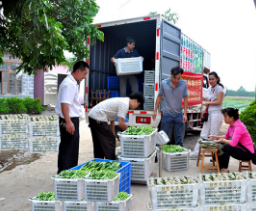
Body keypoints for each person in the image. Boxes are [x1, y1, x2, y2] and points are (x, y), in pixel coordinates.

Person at [55, 61, 89, 174]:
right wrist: (69, 122)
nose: (85, 76)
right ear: (78, 71)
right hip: (69, 120)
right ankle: (66, 176)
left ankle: (64, 174)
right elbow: (65, 104)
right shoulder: (69, 84)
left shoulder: (72, 82)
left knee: (68, 149)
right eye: (84, 73)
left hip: (69, 119)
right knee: (69, 151)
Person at [88, 92, 144, 160]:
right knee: (110, 140)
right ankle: (112, 162)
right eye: (138, 105)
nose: (136, 107)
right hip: (98, 117)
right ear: (135, 101)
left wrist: (113, 134)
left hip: (93, 116)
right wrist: (131, 134)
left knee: (99, 142)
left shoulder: (122, 101)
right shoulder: (125, 104)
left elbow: (112, 120)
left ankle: (98, 162)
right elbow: (121, 123)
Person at [190, 71, 224, 159]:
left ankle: (216, 156)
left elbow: (219, 101)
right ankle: (197, 153)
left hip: (216, 113)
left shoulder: (219, 89)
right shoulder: (209, 89)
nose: (211, 81)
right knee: (204, 133)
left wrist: (207, 102)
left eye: (213, 79)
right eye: (210, 79)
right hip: (208, 113)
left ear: (217, 79)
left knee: (214, 134)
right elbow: (205, 101)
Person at [209, 108, 254, 173]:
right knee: (221, 145)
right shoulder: (232, 125)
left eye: (225, 117)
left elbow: (233, 143)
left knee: (226, 147)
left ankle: (225, 169)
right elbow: (227, 136)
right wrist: (216, 137)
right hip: (240, 149)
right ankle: (220, 167)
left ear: (231, 118)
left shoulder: (239, 126)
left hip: (247, 152)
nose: (224, 118)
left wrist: (222, 140)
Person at [153, 66, 188, 147]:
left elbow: (186, 99)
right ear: (171, 75)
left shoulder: (183, 84)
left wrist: (185, 114)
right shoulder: (164, 83)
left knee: (179, 138)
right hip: (167, 114)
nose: (177, 80)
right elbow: (159, 97)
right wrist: (155, 110)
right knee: (162, 137)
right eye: (175, 78)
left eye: (179, 78)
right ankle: (158, 156)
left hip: (179, 115)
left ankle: (179, 156)